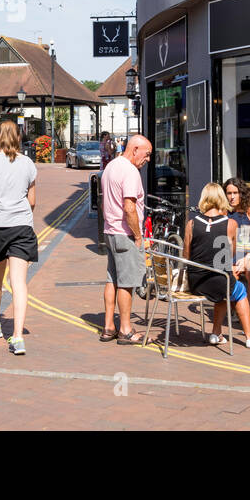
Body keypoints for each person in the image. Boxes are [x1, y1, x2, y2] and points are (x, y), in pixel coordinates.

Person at [0, 119, 39, 356]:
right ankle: (19, 337)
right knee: (19, 283)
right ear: (19, 137)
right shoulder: (29, 164)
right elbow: (32, 201)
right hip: (21, 226)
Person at [184, 183, 250, 348]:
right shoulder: (231, 224)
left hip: (196, 283)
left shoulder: (192, 224)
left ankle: (216, 334)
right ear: (221, 199)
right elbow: (230, 255)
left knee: (224, 288)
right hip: (219, 280)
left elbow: (186, 256)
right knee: (238, 289)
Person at [99, 133, 153, 345]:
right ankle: (125, 329)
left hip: (110, 232)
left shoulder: (111, 166)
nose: (147, 159)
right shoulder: (130, 171)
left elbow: (104, 202)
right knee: (127, 283)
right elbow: (129, 207)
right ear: (135, 149)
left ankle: (108, 326)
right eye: (146, 154)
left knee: (112, 279)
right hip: (125, 234)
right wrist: (138, 236)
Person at [224, 177, 250, 329]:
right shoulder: (224, 213)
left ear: (242, 194)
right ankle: (236, 311)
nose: (232, 197)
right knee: (231, 274)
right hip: (229, 256)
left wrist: (247, 258)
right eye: (229, 193)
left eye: (235, 192)